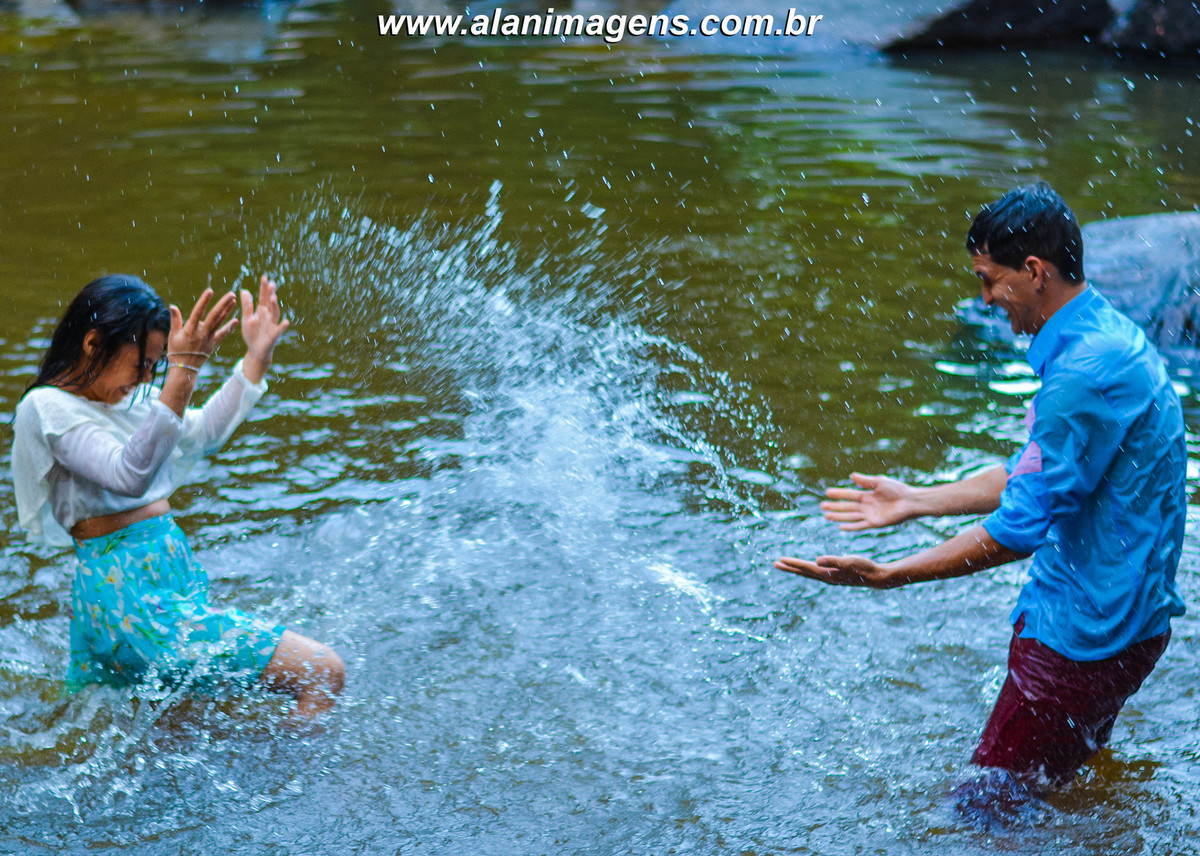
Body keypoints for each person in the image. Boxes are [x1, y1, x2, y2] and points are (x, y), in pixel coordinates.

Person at [775, 181, 1186, 792]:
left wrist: (893, 575)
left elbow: (1018, 530)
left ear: (1035, 270)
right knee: (1064, 790)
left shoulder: (1081, 374)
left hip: (1082, 638)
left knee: (986, 807)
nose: (988, 299)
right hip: (1128, 623)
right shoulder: (1104, 336)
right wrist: (917, 500)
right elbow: (1037, 471)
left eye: (990, 281)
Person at [11, 274, 345, 721]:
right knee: (322, 672)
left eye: (156, 365)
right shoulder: (48, 407)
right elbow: (126, 473)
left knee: (175, 732)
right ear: (92, 344)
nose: (147, 378)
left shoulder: (127, 400)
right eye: (141, 364)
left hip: (154, 586)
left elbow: (202, 432)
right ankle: (293, 785)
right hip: (130, 596)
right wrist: (183, 369)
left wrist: (255, 358)